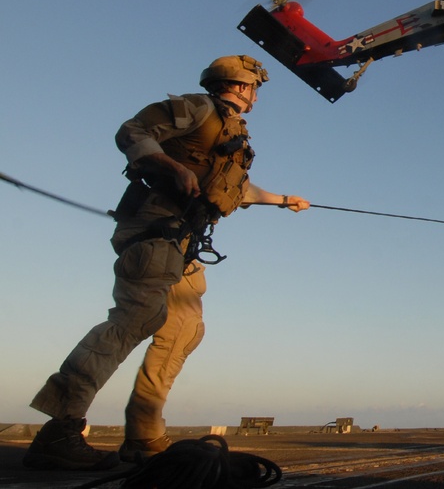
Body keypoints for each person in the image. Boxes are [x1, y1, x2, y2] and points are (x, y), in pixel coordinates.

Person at [23, 55, 310, 471]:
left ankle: (144, 435)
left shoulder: (232, 132)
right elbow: (132, 131)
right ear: (243, 86)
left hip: (183, 244)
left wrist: (285, 201)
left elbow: (237, 188)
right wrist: (168, 165)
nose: (256, 96)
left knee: (183, 328)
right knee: (137, 317)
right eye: (255, 87)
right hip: (155, 230)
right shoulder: (198, 108)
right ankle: (60, 430)